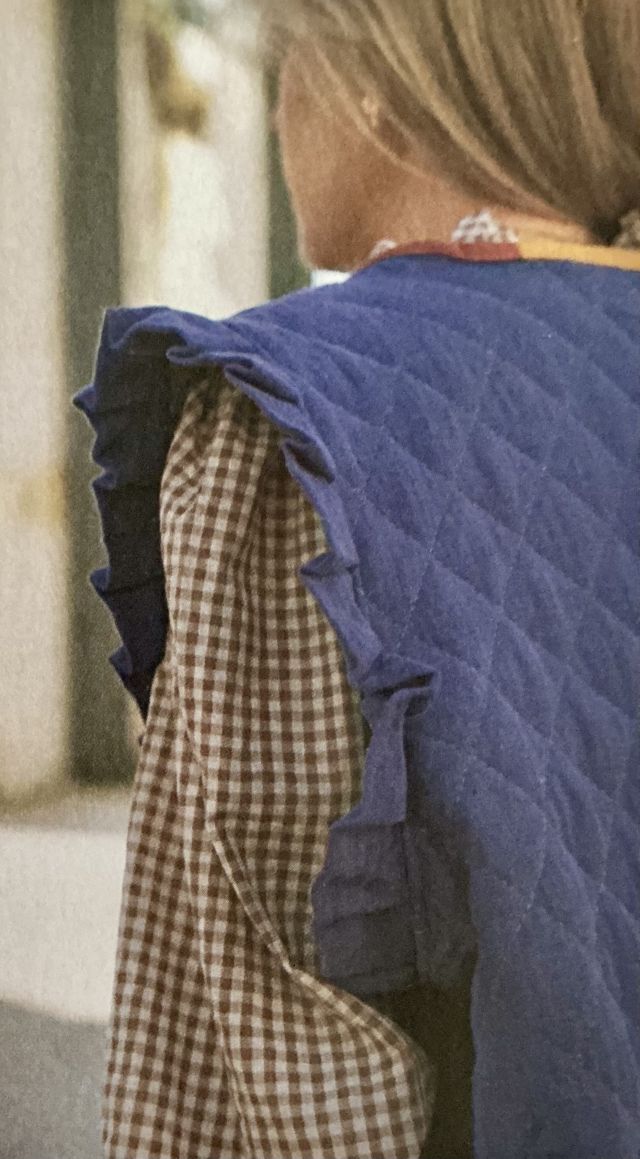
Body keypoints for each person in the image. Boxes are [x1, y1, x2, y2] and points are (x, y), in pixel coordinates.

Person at [75, 2, 640, 1155]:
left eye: (286, 65)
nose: (277, 112)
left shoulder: (299, 426)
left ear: (379, 87)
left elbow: (266, 1043)